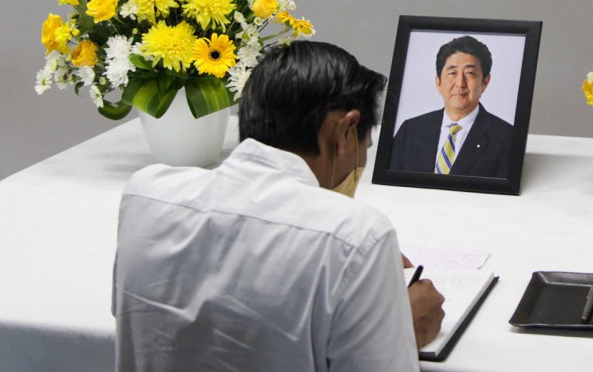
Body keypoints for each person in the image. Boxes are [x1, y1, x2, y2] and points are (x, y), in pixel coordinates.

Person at [113, 41, 445, 372]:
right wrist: (398, 332)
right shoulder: (357, 236)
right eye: (364, 147)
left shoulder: (145, 196)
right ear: (345, 130)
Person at [390, 35, 514, 178]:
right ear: (438, 82)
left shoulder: (506, 138)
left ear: (485, 82)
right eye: (452, 73)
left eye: (470, 73)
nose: (460, 83)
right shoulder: (410, 131)